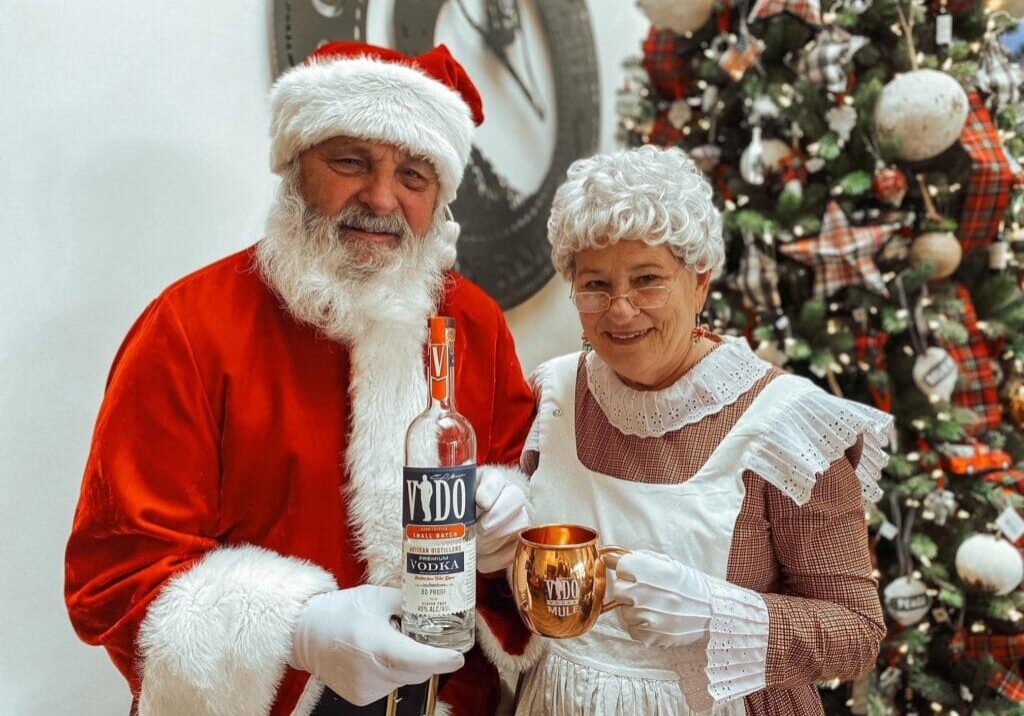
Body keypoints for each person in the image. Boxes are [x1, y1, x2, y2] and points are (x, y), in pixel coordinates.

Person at [64, 41, 539, 716]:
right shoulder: (187, 327)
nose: (380, 198)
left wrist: (505, 533)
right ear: (296, 167)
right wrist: (297, 629)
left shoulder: (475, 325)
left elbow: (532, 501)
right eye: (351, 161)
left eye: (413, 175)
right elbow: (115, 573)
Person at [513, 145, 890, 715]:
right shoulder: (553, 396)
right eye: (594, 284)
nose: (620, 309)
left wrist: (715, 612)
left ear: (701, 283)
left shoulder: (785, 426)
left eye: (648, 280)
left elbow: (857, 632)